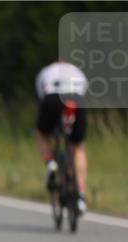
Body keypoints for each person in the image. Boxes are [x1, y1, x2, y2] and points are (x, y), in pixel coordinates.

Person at [35, 60, 89, 215]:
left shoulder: (46, 71)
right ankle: (80, 194)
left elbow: (41, 96)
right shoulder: (78, 72)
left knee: (42, 134)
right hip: (75, 100)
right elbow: (84, 91)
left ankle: (50, 162)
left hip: (51, 99)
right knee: (78, 147)